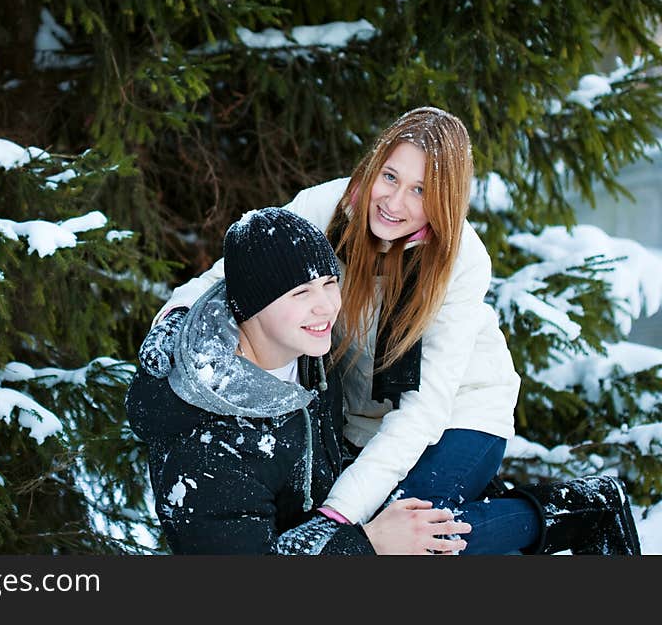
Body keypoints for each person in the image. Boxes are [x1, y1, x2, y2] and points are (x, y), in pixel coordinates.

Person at [138, 107, 641, 555]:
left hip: (459, 411)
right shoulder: (330, 209)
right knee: (383, 539)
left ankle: (573, 512)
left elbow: (425, 410)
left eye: (420, 190)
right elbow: (241, 270)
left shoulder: (459, 260)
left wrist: (337, 519)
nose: (394, 202)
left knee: (415, 544)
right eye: (390, 176)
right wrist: (172, 324)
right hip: (363, 417)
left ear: (445, 199)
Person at [126, 207, 473, 554]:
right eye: (301, 293)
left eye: (329, 283)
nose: (326, 307)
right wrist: (370, 543)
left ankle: (527, 512)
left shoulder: (305, 351)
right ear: (251, 304)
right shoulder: (206, 451)